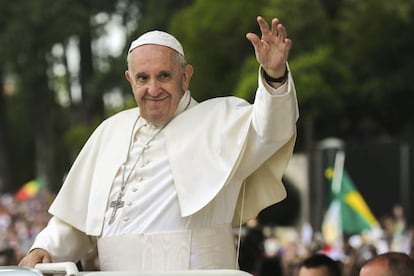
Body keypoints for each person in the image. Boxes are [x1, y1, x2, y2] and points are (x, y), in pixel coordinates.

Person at [18, 15, 298, 271]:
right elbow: (78, 219)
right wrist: (45, 247)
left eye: (164, 76)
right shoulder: (109, 132)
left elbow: (271, 129)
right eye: (143, 78)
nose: (153, 89)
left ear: (185, 76)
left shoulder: (222, 120)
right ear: (130, 80)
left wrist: (275, 76)